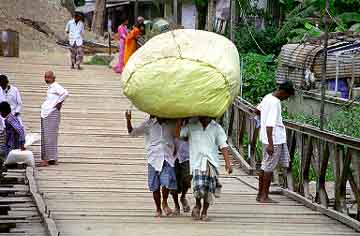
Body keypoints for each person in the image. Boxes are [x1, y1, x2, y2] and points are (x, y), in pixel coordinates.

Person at [177, 117, 232, 221]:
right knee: (198, 187)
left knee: (209, 189)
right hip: (197, 162)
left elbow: (223, 145)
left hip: (211, 162)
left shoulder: (216, 127)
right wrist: (181, 121)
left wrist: (228, 163)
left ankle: (204, 211)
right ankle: (198, 204)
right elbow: (180, 135)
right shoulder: (191, 125)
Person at [125, 110, 179, 217]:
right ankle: (158, 208)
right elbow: (132, 133)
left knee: (166, 182)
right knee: (155, 186)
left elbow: (179, 136)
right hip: (153, 159)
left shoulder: (171, 125)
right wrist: (128, 120)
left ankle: (164, 202)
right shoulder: (148, 125)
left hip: (167, 157)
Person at [256, 81, 295, 203]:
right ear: (283, 92)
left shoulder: (268, 97)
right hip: (274, 139)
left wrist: (261, 120)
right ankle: (264, 196)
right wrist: (271, 144)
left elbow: (257, 110)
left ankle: (260, 194)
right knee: (269, 168)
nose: (286, 99)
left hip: (265, 138)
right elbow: (270, 125)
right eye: (287, 96)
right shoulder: (275, 103)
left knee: (264, 165)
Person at [40, 71, 69, 167]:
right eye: (45, 77)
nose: (47, 79)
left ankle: (47, 160)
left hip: (51, 113)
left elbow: (65, 93)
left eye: (49, 77)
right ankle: (52, 158)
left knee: (49, 137)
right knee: (48, 136)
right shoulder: (51, 87)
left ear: (54, 78)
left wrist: (59, 103)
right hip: (46, 113)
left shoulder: (56, 86)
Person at [174, 138, 192, 214]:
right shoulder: (170, 126)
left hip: (188, 156)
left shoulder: (190, 126)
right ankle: (176, 205)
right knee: (173, 183)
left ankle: (183, 196)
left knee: (187, 179)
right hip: (172, 156)